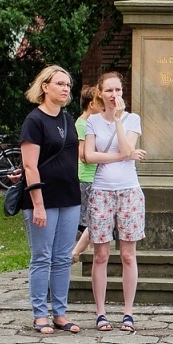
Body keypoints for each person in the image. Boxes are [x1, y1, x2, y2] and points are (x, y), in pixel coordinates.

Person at [81, 70, 147, 333]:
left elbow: (129, 148)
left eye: (118, 90)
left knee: (129, 255)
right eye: (109, 90)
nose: (114, 95)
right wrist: (123, 156)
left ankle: (128, 313)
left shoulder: (132, 119)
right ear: (100, 93)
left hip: (129, 190)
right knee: (101, 255)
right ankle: (101, 313)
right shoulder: (93, 122)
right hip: (101, 191)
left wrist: (119, 121)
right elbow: (89, 155)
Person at [20, 64, 83, 335]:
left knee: (62, 258)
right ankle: (39, 314)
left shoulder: (68, 120)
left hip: (69, 197)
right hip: (42, 199)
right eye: (60, 84)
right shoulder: (34, 121)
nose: (65, 89)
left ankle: (60, 312)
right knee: (42, 257)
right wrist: (38, 204)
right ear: (45, 87)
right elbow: (30, 166)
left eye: (68, 85)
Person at [70, 84, 104, 263]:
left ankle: (87, 254)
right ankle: (75, 253)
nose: (103, 109)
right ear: (92, 105)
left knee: (94, 220)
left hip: (92, 178)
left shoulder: (88, 123)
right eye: (101, 105)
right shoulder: (83, 124)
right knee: (93, 221)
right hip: (88, 178)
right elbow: (83, 155)